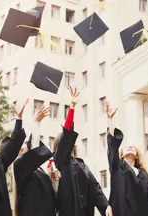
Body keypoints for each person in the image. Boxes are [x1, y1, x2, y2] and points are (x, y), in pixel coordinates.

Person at [52, 86, 112, 216]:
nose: (71, 144)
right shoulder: (59, 161)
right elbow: (67, 135)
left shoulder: (82, 165)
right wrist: (72, 107)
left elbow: (95, 189)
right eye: (67, 142)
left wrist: (105, 206)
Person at [105, 100, 148, 216]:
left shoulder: (143, 175)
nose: (129, 147)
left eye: (133, 147)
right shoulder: (117, 167)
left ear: (137, 154)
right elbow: (112, 148)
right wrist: (110, 120)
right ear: (121, 154)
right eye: (127, 147)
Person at [14, 105, 58, 216]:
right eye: (23, 142)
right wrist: (36, 123)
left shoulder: (40, 171)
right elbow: (33, 151)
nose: (26, 143)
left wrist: (54, 179)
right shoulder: (19, 166)